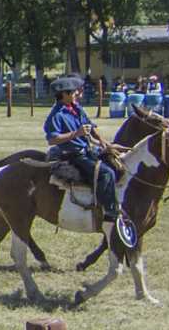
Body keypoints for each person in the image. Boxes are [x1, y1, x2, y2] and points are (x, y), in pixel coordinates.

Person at [44, 74, 134, 245]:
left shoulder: (76, 108)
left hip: (88, 149)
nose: (78, 94)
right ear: (63, 94)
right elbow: (52, 139)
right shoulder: (56, 115)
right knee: (105, 174)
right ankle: (109, 211)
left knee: (116, 165)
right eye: (74, 92)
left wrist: (106, 144)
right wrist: (75, 134)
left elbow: (91, 128)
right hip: (73, 154)